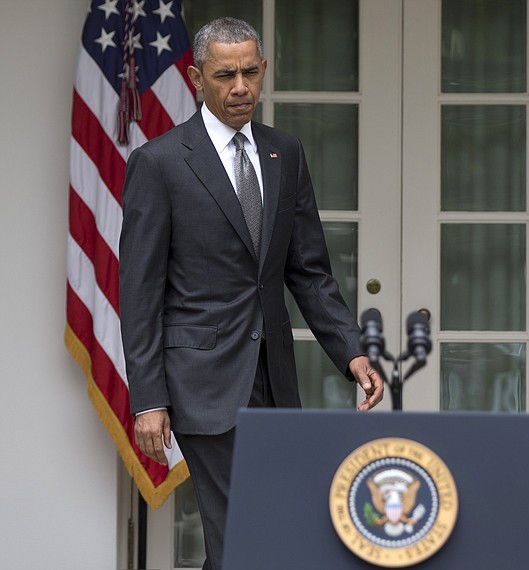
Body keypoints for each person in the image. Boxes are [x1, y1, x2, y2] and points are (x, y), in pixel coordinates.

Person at [119, 17, 384, 570]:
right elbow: (139, 292)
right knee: (243, 532)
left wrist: (352, 352)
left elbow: (308, 270)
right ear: (196, 78)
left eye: (250, 72)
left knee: (268, 531)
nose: (240, 87)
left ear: (262, 71)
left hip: (273, 379)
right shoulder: (160, 163)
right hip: (202, 385)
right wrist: (148, 398)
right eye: (225, 75)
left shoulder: (284, 152)